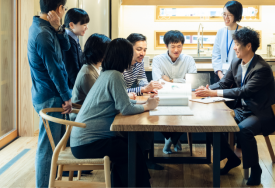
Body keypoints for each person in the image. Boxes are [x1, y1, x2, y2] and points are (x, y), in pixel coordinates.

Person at [70, 38, 159, 188]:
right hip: (88, 143)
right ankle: (142, 184)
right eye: (131, 53)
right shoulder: (115, 76)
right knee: (129, 150)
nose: (133, 57)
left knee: (130, 147)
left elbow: (121, 102)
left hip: (83, 141)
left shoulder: (107, 73)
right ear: (123, 55)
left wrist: (142, 103)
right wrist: (147, 107)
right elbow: (125, 109)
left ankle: (141, 183)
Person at [195, 27, 275, 186]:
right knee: (210, 123)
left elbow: (244, 91)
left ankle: (256, 169)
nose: (234, 47)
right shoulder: (236, 62)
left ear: (248, 46)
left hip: (260, 112)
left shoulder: (262, 68)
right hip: (242, 109)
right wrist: (208, 89)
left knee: (243, 129)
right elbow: (224, 82)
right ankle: (232, 158)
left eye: (237, 44)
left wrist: (215, 94)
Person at [28, 0, 72, 188]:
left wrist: (59, 28)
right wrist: (66, 96)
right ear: (59, 8)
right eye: (64, 8)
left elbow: (66, 47)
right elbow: (55, 69)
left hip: (46, 93)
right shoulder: (43, 34)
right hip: (50, 96)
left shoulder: (45, 27)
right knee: (48, 149)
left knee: (53, 146)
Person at [151, 30, 197, 154]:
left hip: (185, 96)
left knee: (190, 113)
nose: (176, 50)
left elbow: (192, 81)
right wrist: (180, 82)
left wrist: (171, 80)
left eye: (179, 46)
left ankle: (170, 140)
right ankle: (174, 140)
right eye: (173, 46)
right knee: (156, 113)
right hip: (163, 97)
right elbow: (158, 81)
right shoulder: (158, 59)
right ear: (166, 46)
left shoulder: (189, 59)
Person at [123, 33, 164, 170]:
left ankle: (145, 159)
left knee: (149, 120)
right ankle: (140, 161)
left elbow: (142, 80)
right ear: (129, 48)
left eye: (145, 49)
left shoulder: (139, 63)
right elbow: (120, 92)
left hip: (132, 98)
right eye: (139, 49)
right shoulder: (121, 62)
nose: (143, 53)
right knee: (144, 122)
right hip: (123, 102)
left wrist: (149, 87)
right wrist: (143, 89)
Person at [70, 33, 111, 121]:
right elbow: (100, 101)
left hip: (90, 113)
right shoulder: (87, 74)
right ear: (99, 52)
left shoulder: (94, 68)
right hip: (82, 118)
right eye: (108, 51)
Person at [212, 1, 243, 81]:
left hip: (237, 76)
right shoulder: (220, 32)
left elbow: (244, 57)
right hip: (221, 76)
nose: (226, 17)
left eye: (229, 15)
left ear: (236, 15)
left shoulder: (243, 32)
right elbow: (216, 55)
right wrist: (220, 74)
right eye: (224, 14)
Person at [62, 8, 90, 89]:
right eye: (84, 25)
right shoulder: (68, 42)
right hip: (71, 88)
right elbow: (72, 71)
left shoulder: (73, 39)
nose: (86, 27)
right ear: (71, 25)